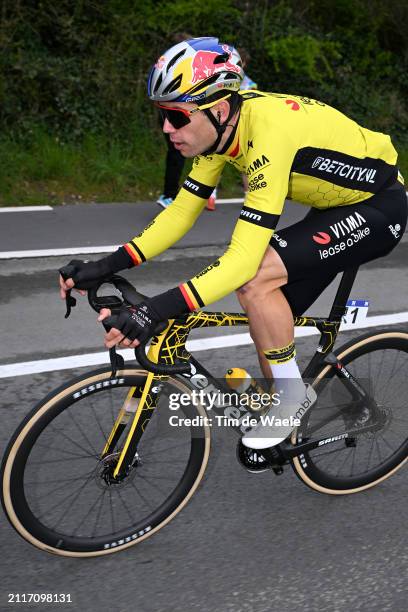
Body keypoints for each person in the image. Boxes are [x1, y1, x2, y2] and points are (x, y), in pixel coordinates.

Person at [59, 37, 407, 451]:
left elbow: (241, 259)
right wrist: (107, 263)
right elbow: (180, 213)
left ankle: (292, 401)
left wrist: (156, 309)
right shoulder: (221, 135)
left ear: (219, 109)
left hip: (380, 205)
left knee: (255, 279)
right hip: (333, 207)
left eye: (175, 116)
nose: (167, 129)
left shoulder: (268, 134)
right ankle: (288, 410)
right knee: (269, 322)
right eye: (161, 117)